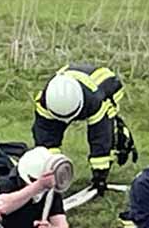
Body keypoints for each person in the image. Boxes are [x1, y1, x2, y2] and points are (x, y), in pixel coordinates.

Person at [32, 63, 136, 197]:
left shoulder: (95, 101)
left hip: (107, 85)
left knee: (108, 129)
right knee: (47, 138)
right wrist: (50, 167)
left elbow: (100, 138)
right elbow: (45, 137)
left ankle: (121, 138)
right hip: (75, 80)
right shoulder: (45, 101)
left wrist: (100, 174)